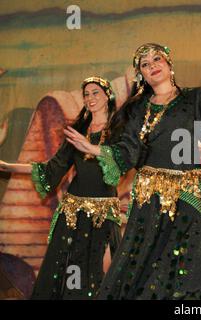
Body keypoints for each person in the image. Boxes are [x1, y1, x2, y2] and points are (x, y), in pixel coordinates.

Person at [63, 43, 201, 299]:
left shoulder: (194, 98)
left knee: (193, 267)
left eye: (156, 59)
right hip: (149, 199)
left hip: (189, 196)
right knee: (145, 270)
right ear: (141, 74)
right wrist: (94, 149)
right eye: (145, 64)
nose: (152, 65)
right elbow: (128, 150)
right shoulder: (137, 108)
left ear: (169, 64)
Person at [0, 76, 122, 299]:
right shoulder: (78, 132)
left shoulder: (119, 131)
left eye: (95, 92)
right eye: (86, 94)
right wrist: (9, 166)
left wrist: (96, 149)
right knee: (67, 270)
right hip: (73, 214)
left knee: (101, 272)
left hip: (103, 215)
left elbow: (119, 167)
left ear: (108, 96)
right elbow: (53, 167)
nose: (90, 98)